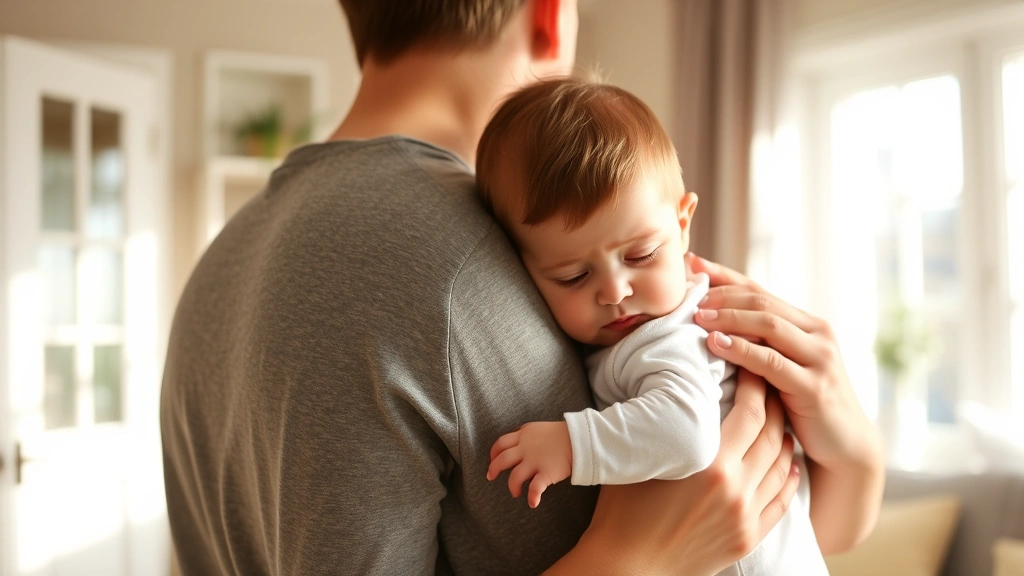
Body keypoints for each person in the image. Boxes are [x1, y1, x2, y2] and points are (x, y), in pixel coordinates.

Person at [159, 1, 886, 574]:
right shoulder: (464, 265)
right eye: (572, 275)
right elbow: (697, 536)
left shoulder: (212, 275)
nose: (610, 287)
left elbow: (765, 537)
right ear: (550, 12)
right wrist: (634, 564)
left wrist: (849, 444)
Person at [477, 77, 827, 575]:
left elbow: (686, 434)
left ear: (683, 224)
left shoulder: (670, 334)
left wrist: (572, 444)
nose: (615, 291)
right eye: (573, 276)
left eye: (641, 255)